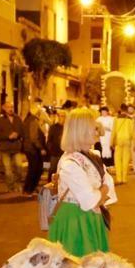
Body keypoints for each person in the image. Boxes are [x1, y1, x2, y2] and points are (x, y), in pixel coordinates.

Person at [48, 108, 115, 257]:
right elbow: (90, 200)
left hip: (90, 217)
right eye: (94, 129)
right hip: (75, 220)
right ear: (81, 131)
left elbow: (108, 186)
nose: (98, 133)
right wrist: (103, 190)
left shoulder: (91, 156)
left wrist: (102, 191)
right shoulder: (70, 163)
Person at [0, 100, 25, 193]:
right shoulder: (0, 120)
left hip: (16, 147)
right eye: (8, 107)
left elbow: (22, 131)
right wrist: (8, 136)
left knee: (19, 167)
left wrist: (18, 134)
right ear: (4, 108)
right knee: (8, 170)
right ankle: (11, 187)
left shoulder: (18, 119)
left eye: (11, 107)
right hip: (5, 148)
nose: (10, 109)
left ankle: (18, 183)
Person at [20, 104, 47, 195]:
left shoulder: (28, 120)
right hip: (33, 149)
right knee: (35, 169)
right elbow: (34, 137)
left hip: (29, 148)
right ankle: (29, 189)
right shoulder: (33, 121)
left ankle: (28, 188)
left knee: (34, 169)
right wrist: (41, 148)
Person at [113, 104, 135, 184]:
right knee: (126, 159)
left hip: (118, 140)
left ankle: (119, 178)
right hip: (127, 140)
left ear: (120, 109)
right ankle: (124, 178)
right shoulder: (130, 120)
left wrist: (111, 142)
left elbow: (114, 131)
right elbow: (133, 133)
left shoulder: (116, 119)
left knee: (117, 159)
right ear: (127, 110)